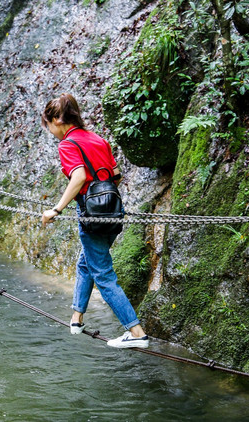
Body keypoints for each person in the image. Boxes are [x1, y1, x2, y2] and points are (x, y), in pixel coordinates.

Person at [40, 93, 149, 349]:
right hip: (113, 214)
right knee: (86, 262)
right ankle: (77, 318)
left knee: (103, 275)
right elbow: (116, 175)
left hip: (92, 218)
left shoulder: (68, 144)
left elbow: (78, 177)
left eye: (49, 124)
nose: (51, 131)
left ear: (57, 119)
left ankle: (136, 333)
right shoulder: (98, 139)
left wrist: (55, 210)